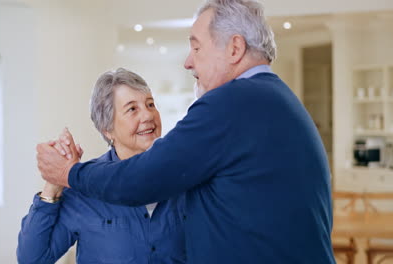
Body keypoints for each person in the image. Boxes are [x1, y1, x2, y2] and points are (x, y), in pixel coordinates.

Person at [36, 0, 335, 263]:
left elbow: (142, 178)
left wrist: (68, 173)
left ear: (234, 48)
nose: (188, 61)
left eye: (196, 47)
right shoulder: (278, 99)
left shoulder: (230, 102)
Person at [17, 68, 187, 264]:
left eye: (150, 104)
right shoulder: (84, 186)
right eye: (132, 109)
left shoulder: (182, 175)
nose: (148, 115)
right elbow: (32, 259)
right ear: (107, 129)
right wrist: (54, 182)